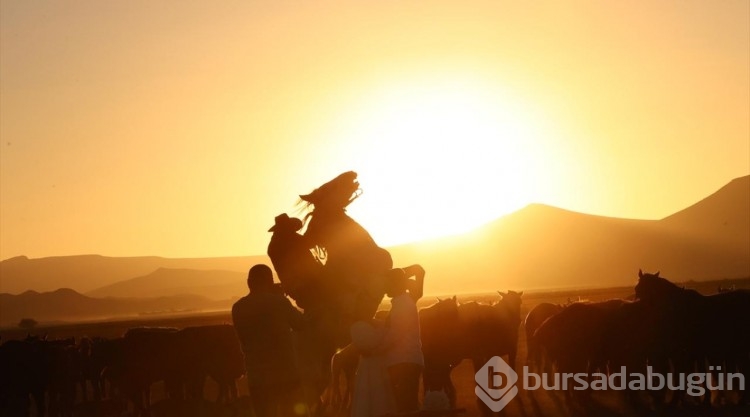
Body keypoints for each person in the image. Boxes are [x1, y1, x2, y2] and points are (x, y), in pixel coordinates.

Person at [232, 264, 308, 417]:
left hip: (257, 377)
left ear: (249, 282)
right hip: (285, 374)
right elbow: (301, 324)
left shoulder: (238, 308)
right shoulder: (279, 303)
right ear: (270, 282)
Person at [380, 264, 426, 413]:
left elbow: (395, 334)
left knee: (405, 406)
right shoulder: (406, 302)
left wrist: (376, 347)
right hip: (407, 360)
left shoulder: (402, 305)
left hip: (403, 362)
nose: (384, 287)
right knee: (406, 405)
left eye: (387, 282)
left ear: (394, 284)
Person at [267, 213, 324, 310]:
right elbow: (309, 242)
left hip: (295, 286)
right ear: (286, 228)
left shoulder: (276, 244)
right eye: (290, 227)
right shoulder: (289, 240)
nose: (293, 230)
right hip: (306, 284)